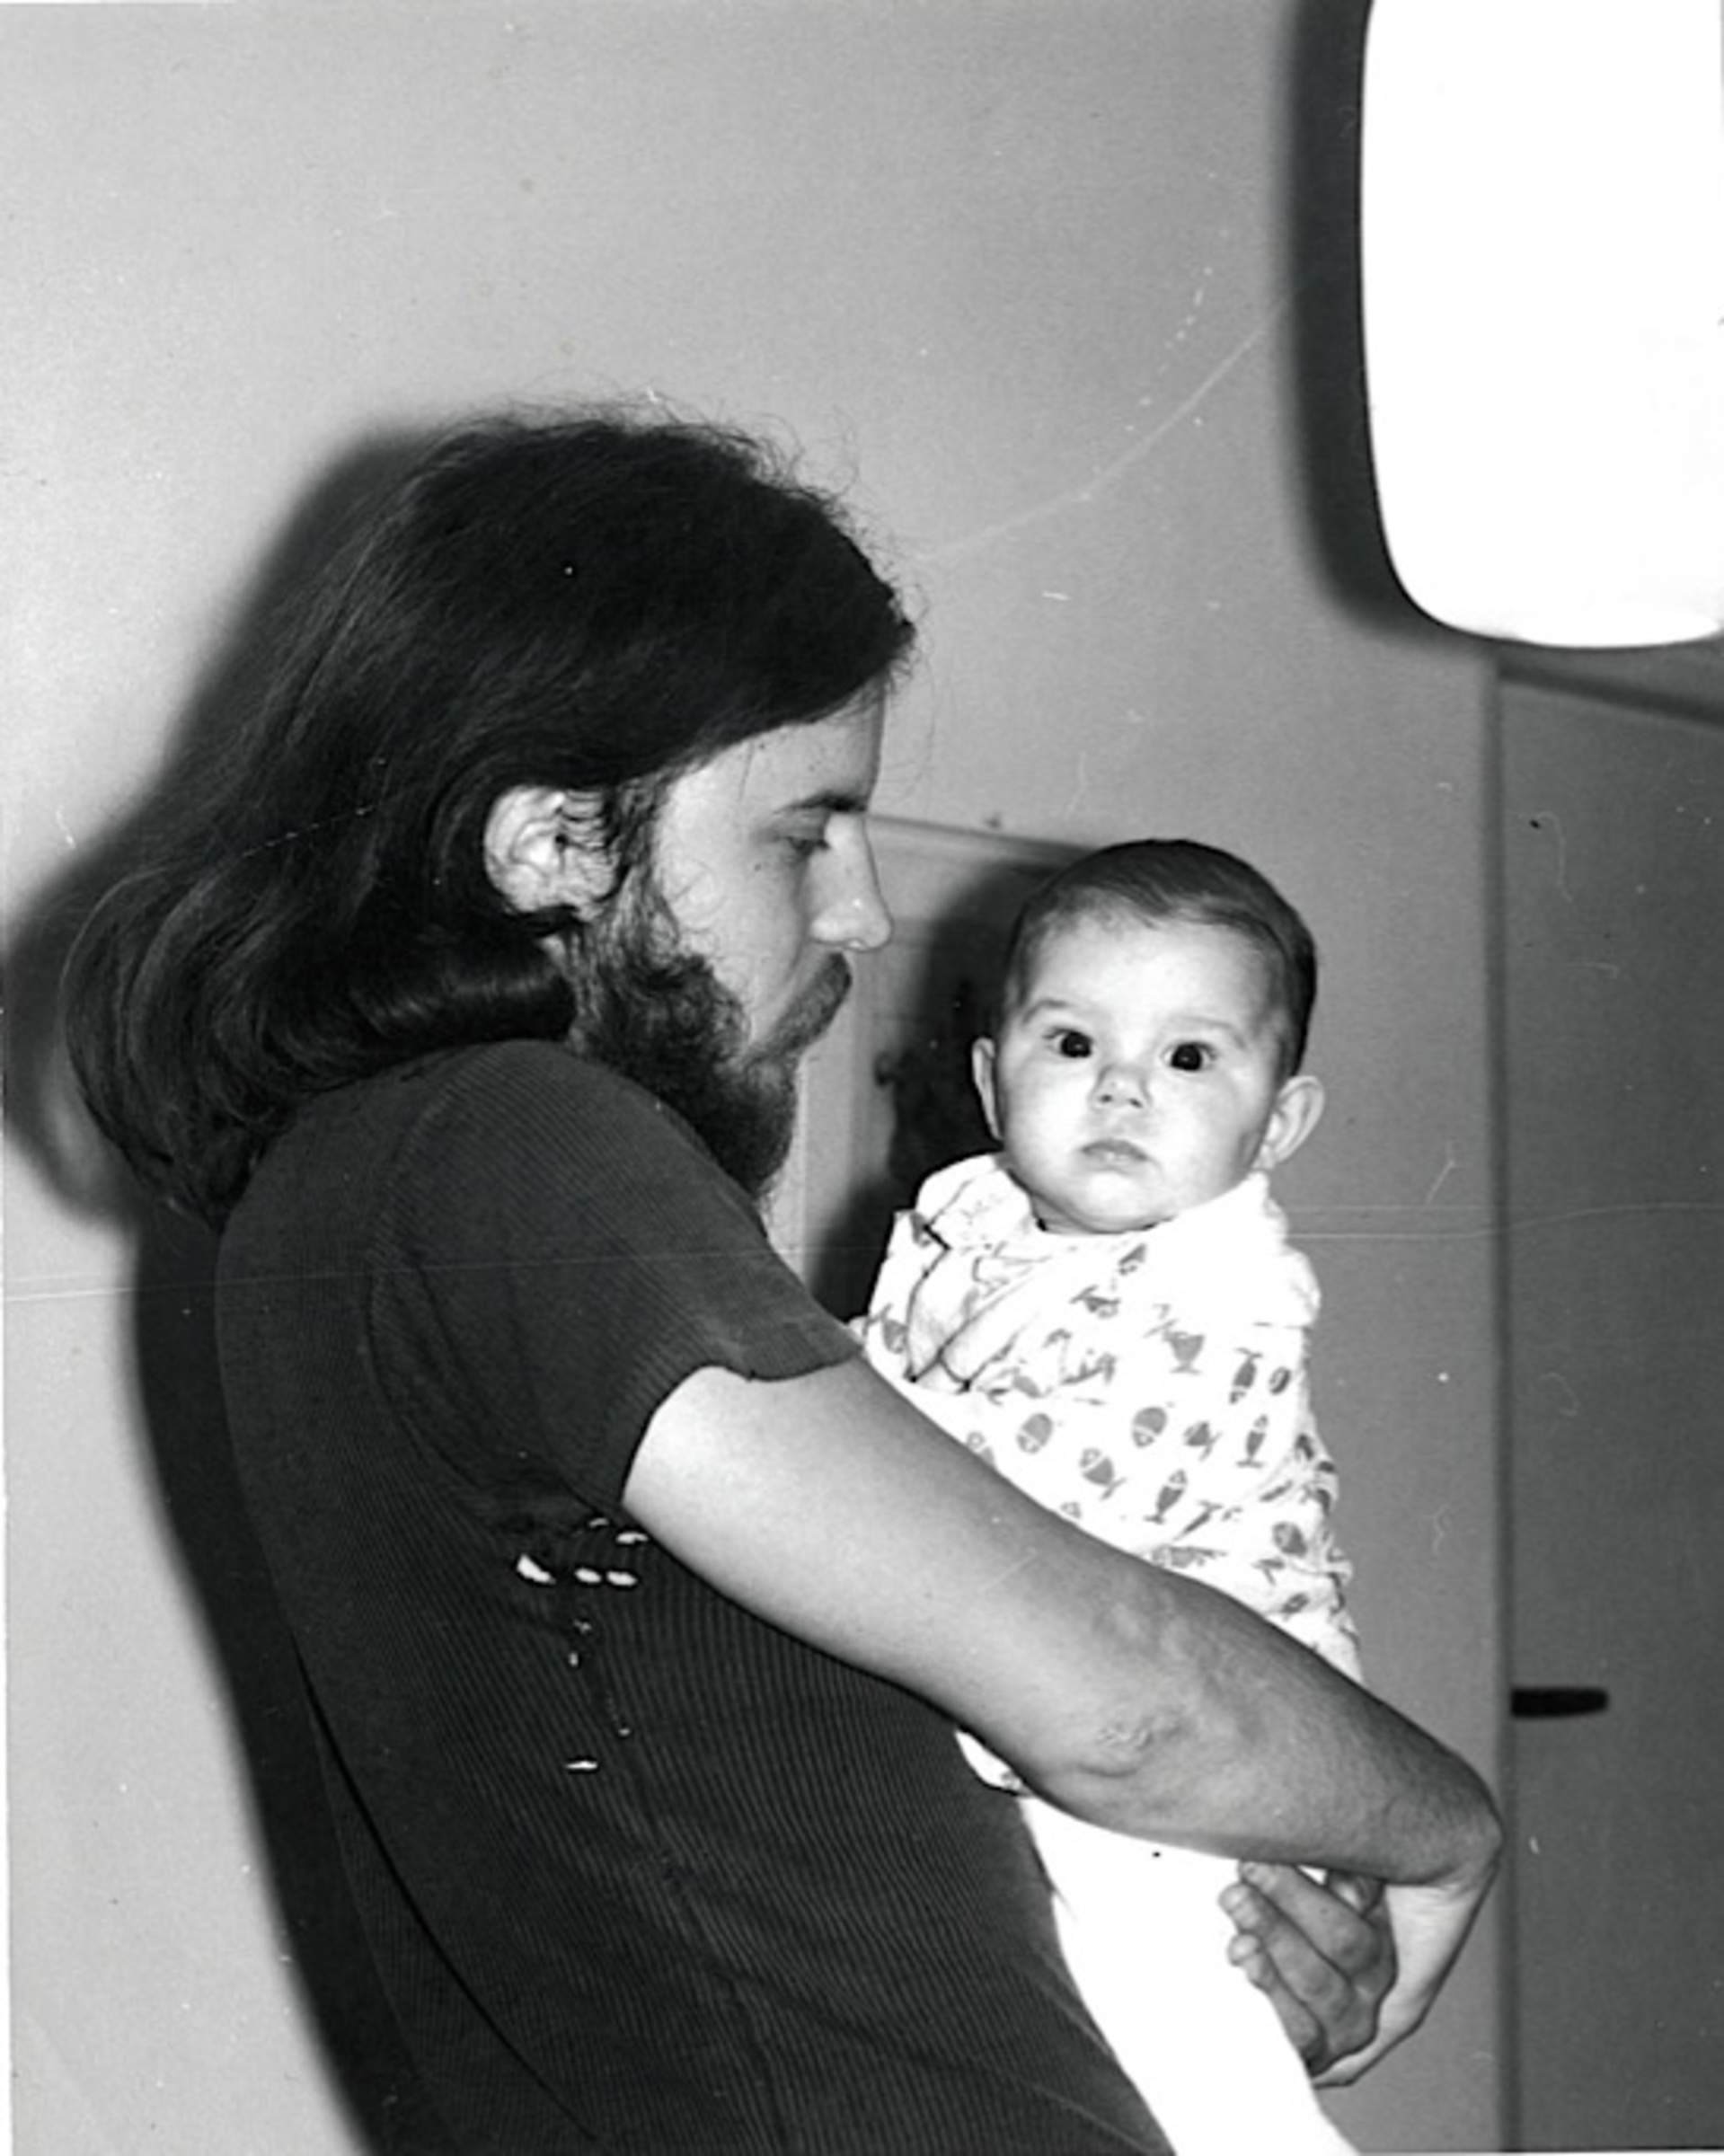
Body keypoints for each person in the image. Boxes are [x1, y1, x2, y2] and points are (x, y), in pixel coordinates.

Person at [63, 407, 1499, 2154]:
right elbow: (1128, 1707)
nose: (863, 913)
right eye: (807, 832)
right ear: (553, 844)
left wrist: (1201, 1950)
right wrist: (1443, 1830)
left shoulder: (348, 1194)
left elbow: (751, 1812)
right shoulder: (519, 1147)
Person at [859, 838, 1371, 2156]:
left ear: (1280, 1122)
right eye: (1074, 1043)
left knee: (1178, 2028)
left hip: (1209, 1744)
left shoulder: (1222, 1303)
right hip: (1066, 1704)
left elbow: (1008, 1511)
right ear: (993, 1080)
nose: (1124, 1087)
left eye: (1190, 1057)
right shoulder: (972, 1228)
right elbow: (874, 1380)